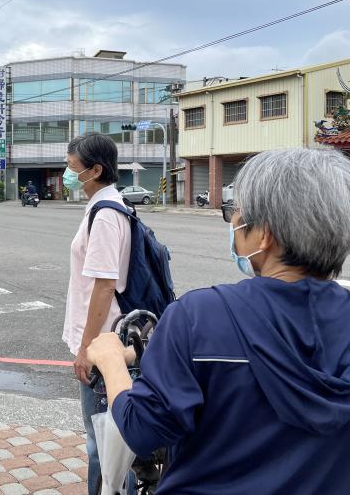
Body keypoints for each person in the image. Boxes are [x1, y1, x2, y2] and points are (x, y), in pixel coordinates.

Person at [87, 148, 350, 494]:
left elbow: (142, 430)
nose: (233, 225)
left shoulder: (197, 317)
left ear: (265, 234)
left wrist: (111, 361)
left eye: (234, 215)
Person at [61, 133, 134, 495]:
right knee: (110, 437)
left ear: (95, 171)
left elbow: (104, 288)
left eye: (72, 167)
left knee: (104, 442)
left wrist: (85, 349)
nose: (66, 173)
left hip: (102, 343)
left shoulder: (105, 215)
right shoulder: (103, 207)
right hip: (104, 339)